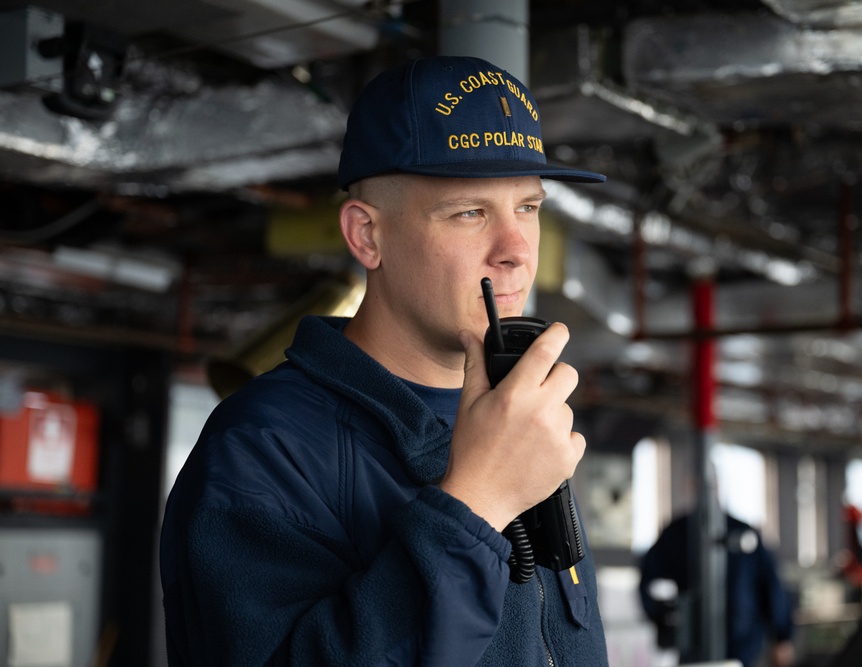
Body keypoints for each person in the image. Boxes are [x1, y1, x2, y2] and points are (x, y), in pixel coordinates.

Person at [159, 55, 610, 665]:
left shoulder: (515, 418)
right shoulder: (263, 447)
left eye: (527, 207)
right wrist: (476, 506)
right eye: (469, 212)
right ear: (367, 236)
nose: (515, 252)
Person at [639, 512, 795, 667]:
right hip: (701, 644)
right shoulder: (677, 533)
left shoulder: (744, 534)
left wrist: (783, 635)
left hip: (738, 644)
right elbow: (648, 579)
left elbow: (771, 585)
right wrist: (664, 619)